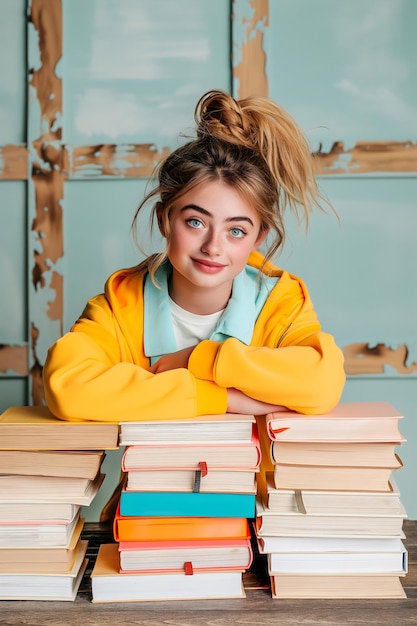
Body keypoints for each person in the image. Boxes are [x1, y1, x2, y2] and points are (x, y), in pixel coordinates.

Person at [43, 89, 345, 423]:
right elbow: (67, 388)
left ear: (258, 238)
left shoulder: (279, 304)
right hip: (149, 476)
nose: (213, 246)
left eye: (236, 231)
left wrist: (200, 359)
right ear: (164, 220)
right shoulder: (121, 306)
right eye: (196, 222)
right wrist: (220, 398)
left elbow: (323, 382)